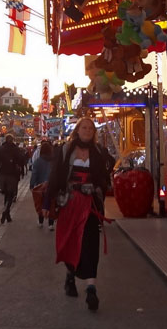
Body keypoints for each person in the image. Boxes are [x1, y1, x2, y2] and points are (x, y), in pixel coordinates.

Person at [47, 117, 112, 311]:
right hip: (70, 203)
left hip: (89, 204)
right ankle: (70, 276)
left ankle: (91, 288)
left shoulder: (99, 152)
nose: (88, 130)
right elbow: (56, 177)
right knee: (70, 242)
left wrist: (101, 185)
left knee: (91, 244)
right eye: (84, 127)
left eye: (91, 128)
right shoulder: (66, 150)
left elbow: (103, 177)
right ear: (77, 130)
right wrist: (47, 203)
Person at [0, 135, 22, 223]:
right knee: (10, 195)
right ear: (13, 140)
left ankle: (7, 214)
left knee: (6, 194)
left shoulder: (1, 148)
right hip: (12, 174)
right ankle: (6, 211)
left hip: (3, 174)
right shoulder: (16, 149)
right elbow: (21, 160)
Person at [30, 139, 54, 230]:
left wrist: (32, 185)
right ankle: (50, 223)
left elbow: (34, 174)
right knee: (51, 203)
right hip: (52, 185)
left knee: (41, 202)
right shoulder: (54, 161)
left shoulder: (38, 161)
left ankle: (40, 221)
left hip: (40, 185)